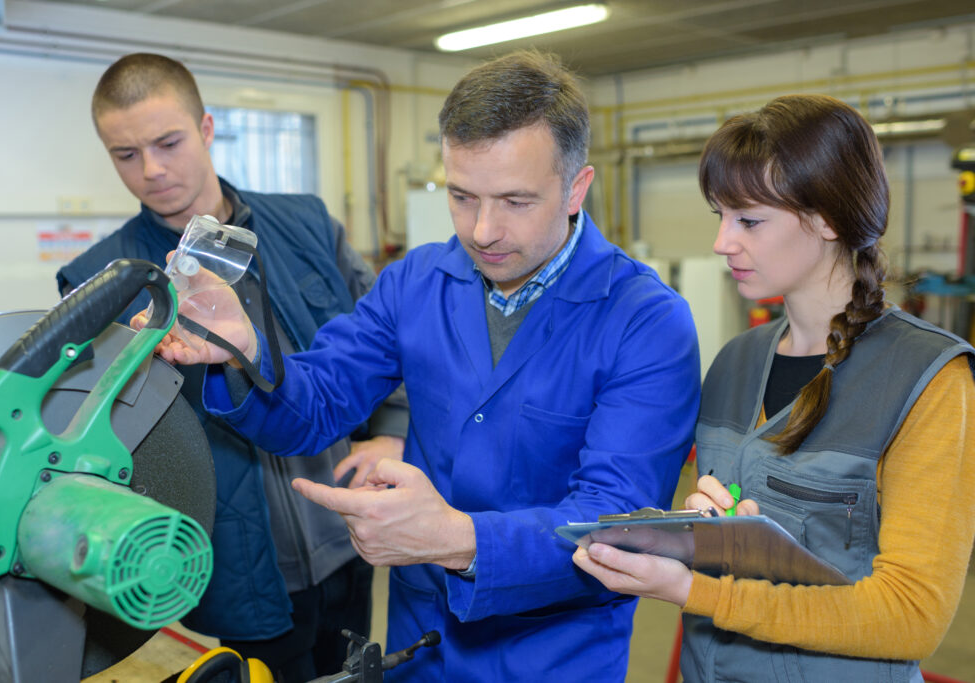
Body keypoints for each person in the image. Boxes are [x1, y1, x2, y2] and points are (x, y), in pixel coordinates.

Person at [137, 50, 701, 681]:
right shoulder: (414, 282)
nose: (483, 230)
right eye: (462, 196)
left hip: (554, 654)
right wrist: (240, 350)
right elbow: (316, 401)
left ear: (576, 187)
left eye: (515, 200)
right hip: (420, 647)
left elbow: (618, 526)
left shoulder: (646, 322)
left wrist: (456, 540)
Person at [572, 94, 975, 682]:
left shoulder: (928, 379)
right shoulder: (736, 363)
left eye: (750, 221)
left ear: (828, 218)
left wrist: (694, 589)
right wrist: (698, 537)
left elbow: (911, 616)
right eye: (720, 217)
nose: (722, 242)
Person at [56, 53, 409, 682]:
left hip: (349, 528)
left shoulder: (305, 223)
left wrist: (392, 429)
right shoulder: (98, 282)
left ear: (207, 127)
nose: (153, 170)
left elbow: (381, 337)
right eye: (126, 154)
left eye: (168, 142)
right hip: (240, 562)